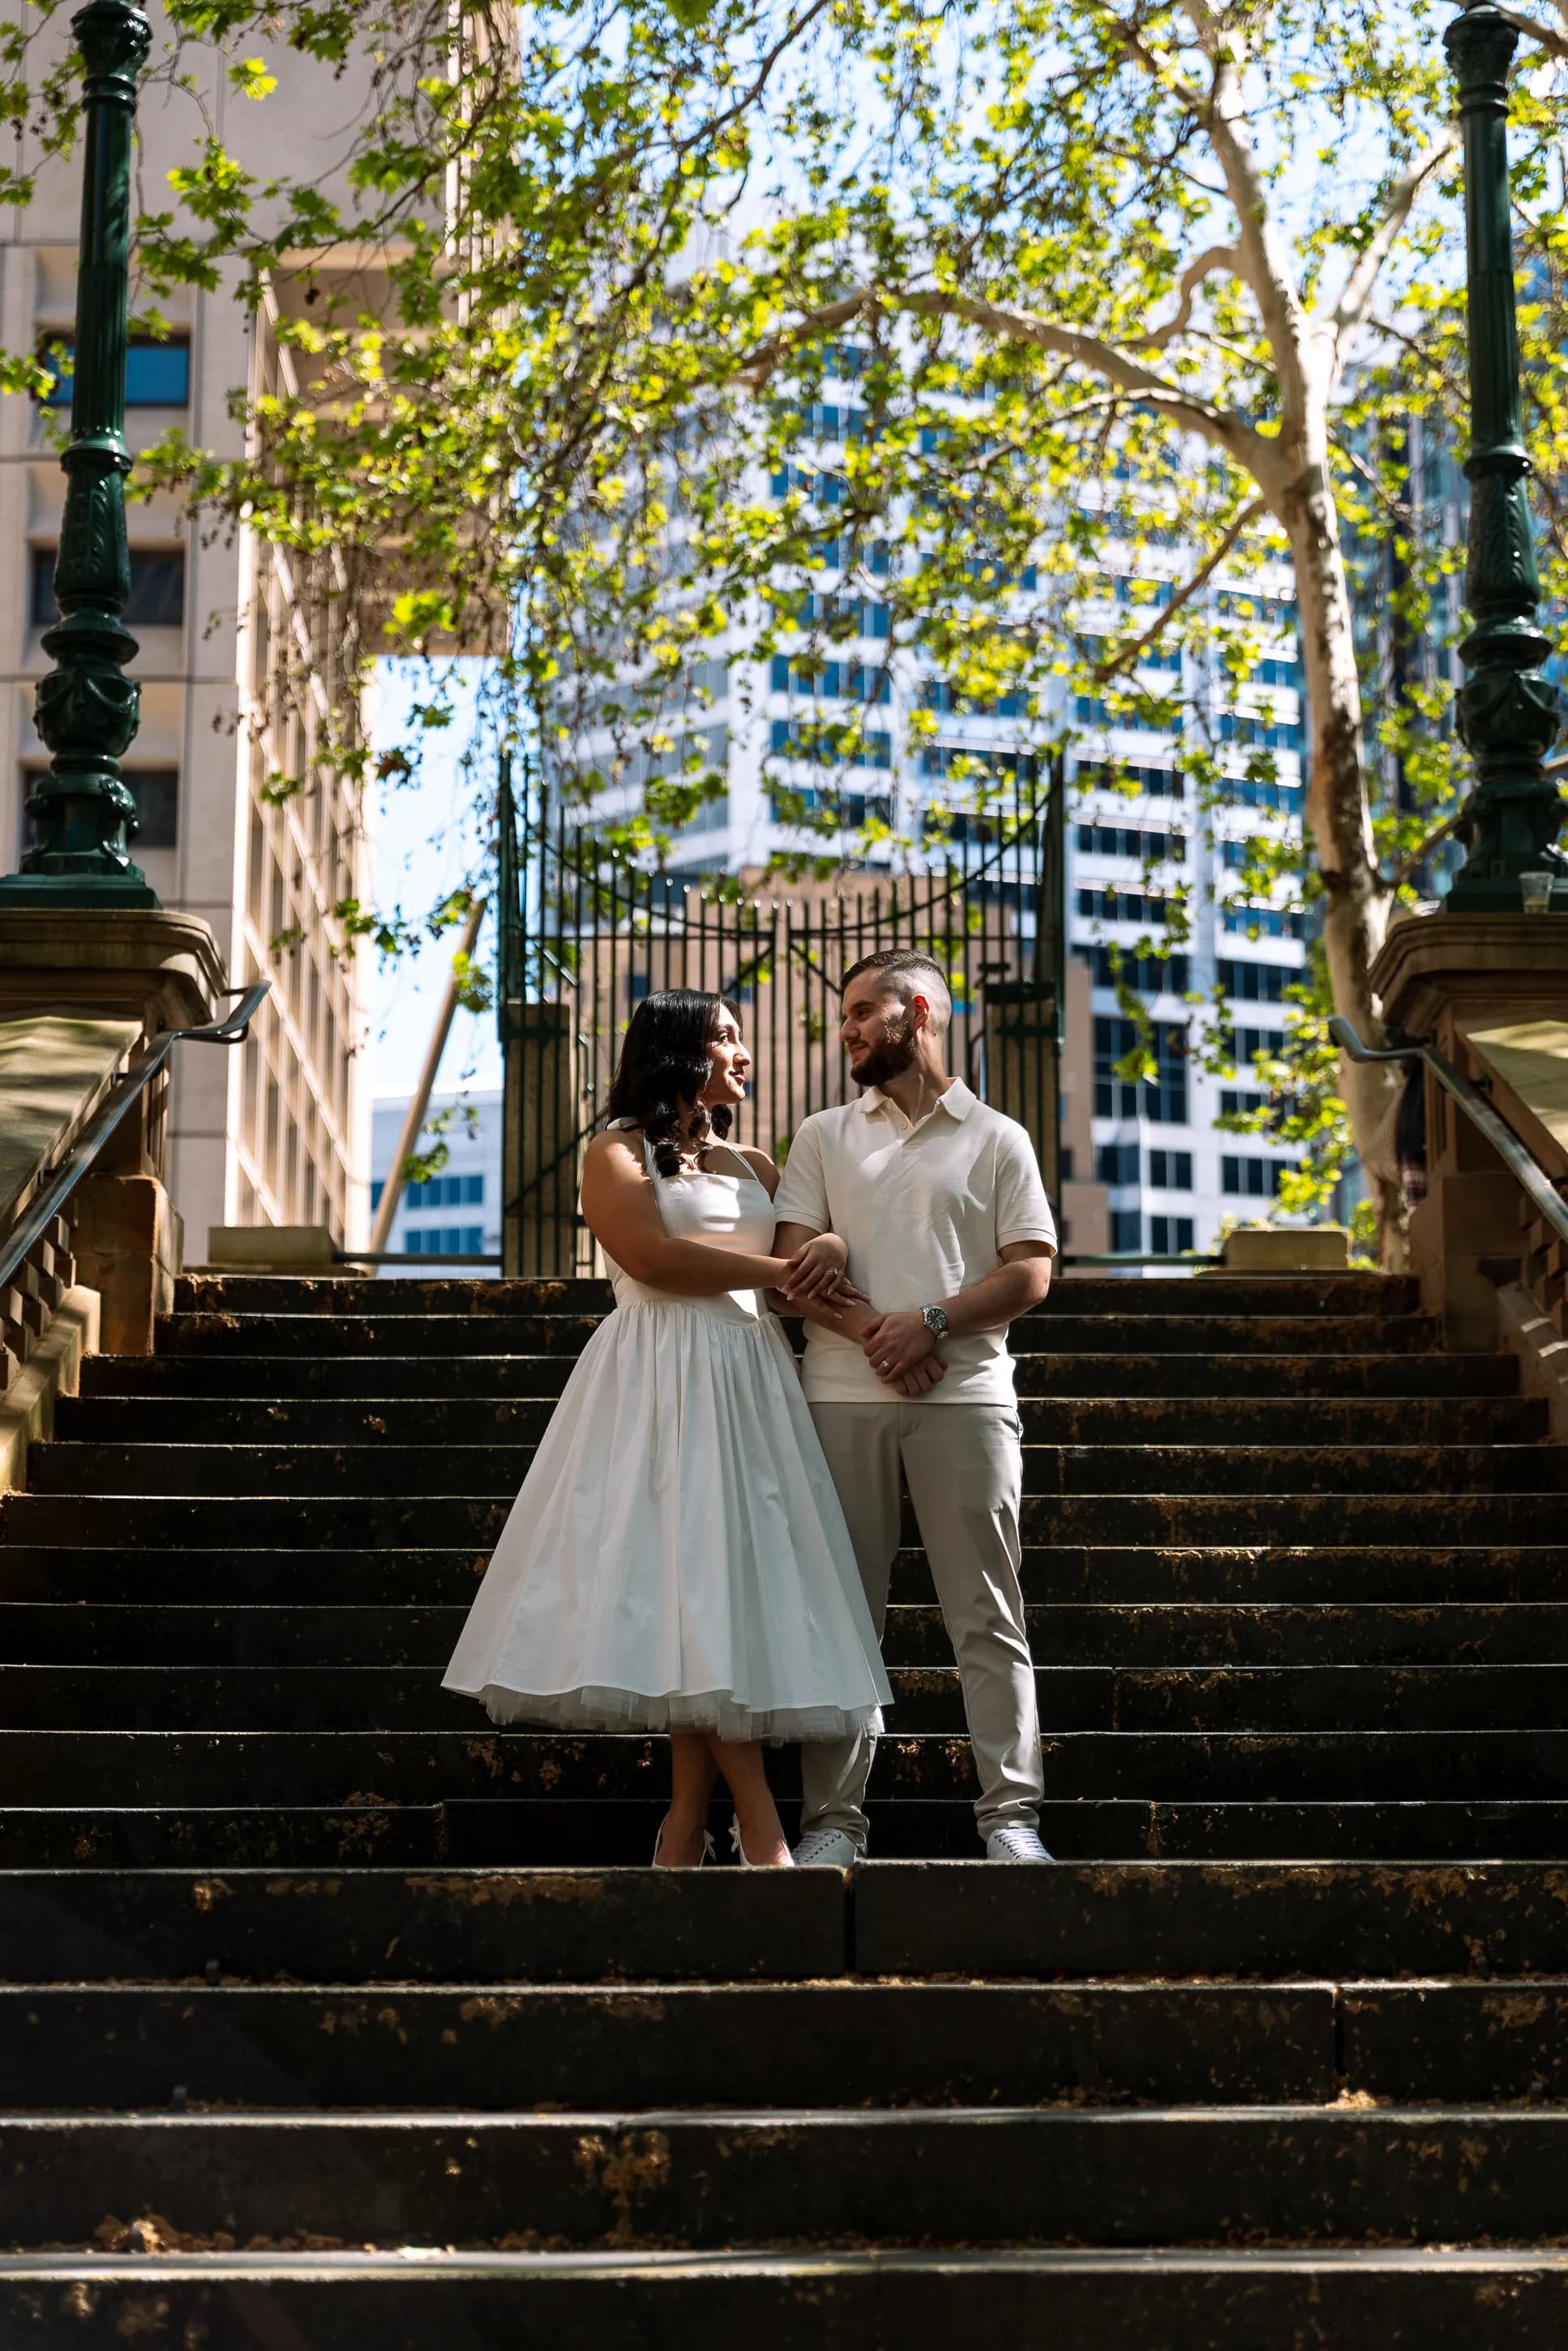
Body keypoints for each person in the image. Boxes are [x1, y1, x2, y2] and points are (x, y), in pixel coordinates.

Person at [442, 987, 892, 1869]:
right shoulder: (614, 1151)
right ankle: (760, 1827)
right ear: (679, 1049)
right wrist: (789, 1266)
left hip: (751, 1377)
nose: (741, 1051)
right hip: (659, 1372)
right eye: (724, 1036)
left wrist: (873, 1320)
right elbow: (651, 1256)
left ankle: (684, 1825)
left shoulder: (760, 1164)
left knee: (718, 1591)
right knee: (689, 1582)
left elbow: (810, 1260)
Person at [771, 948, 1057, 1864]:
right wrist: (879, 1334)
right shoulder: (820, 1133)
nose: (848, 1028)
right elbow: (788, 1272)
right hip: (839, 1393)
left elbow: (1029, 1270)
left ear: (921, 1011)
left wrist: (930, 1321)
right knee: (843, 1612)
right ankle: (831, 1826)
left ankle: (1010, 1817)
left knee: (986, 1611)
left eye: (864, 1010)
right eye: (846, 1015)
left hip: (967, 1395)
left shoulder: (997, 1136)